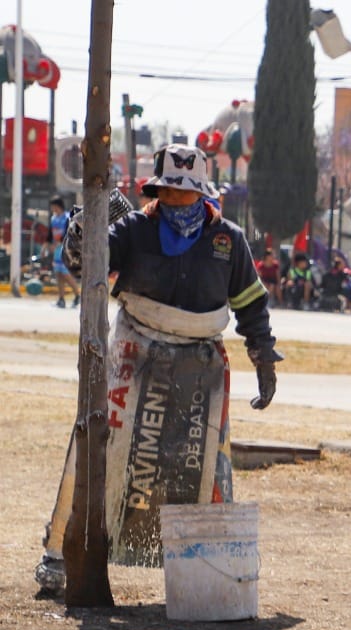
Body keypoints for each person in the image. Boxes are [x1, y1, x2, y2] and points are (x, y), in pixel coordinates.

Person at [36, 143, 280, 595]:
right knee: (94, 450)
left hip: (200, 365)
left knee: (208, 465)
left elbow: (250, 302)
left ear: (202, 194)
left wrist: (263, 357)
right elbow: (87, 263)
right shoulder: (133, 230)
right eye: (169, 192)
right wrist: (84, 226)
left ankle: (207, 568)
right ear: (157, 190)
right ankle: (59, 554)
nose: (176, 202)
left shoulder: (227, 240)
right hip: (133, 354)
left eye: (185, 194)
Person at [49, 197, 80, 309]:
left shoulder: (67, 218)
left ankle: (77, 295)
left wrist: (58, 243)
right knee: (58, 274)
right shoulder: (53, 218)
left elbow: (68, 233)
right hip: (56, 250)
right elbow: (50, 234)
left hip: (65, 249)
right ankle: (61, 299)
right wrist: (46, 247)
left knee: (66, 274)